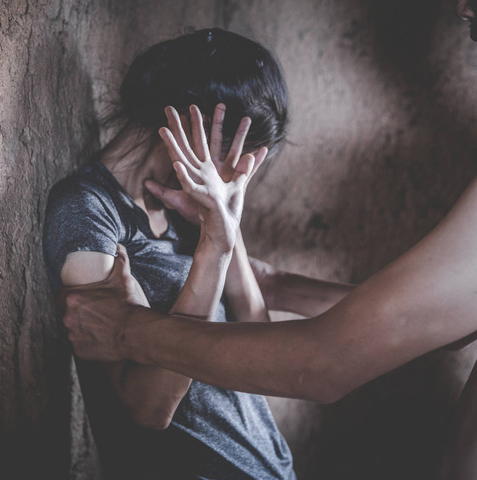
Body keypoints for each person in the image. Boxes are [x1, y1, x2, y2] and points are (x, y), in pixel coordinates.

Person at [61, 2, 477, 477]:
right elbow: (446, 326)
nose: (462, 6)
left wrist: (128, 327)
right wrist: (239, 255)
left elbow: (321, 363)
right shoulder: (92, 209)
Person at [42, 29, 337, 479]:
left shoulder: (190, 210)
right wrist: (213, 249)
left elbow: (258, 346)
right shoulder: (88, 210)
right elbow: (147, 407)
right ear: (186, 121)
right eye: (234, 156)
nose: (234, 175)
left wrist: (225, 228)